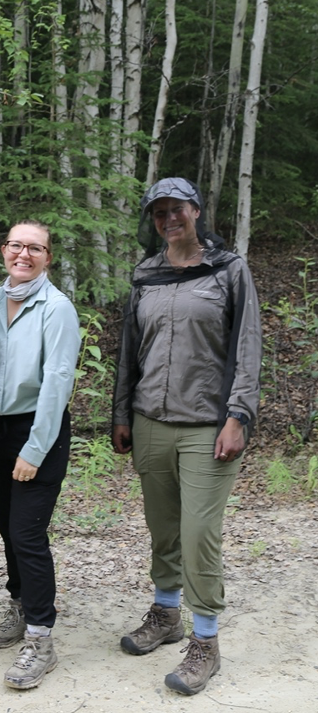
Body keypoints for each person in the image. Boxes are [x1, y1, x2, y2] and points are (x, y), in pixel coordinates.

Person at [112, 177, 262, 696]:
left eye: (177, 209)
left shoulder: (228, 270)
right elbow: (128, 351)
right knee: (165, 528)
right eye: (159, 212)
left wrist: (239, 416)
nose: (168, 218)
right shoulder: (145, 274)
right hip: (150, 421)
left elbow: (247, 348)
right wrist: (121, 414)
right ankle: (166, 613)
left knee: (201, 533)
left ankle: (205, 641)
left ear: (196, 211)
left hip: (208, 425)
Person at [0, 220, 80, 689]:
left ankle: (40, 640)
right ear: (4, 250)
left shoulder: (57, 308)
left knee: (28, 534)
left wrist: (34, 449)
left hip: (39, 432)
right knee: (8, 529)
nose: (23, 254)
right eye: (16, 245)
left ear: (48, 257)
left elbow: (57, 383)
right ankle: (19, 607)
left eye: (35, 248)